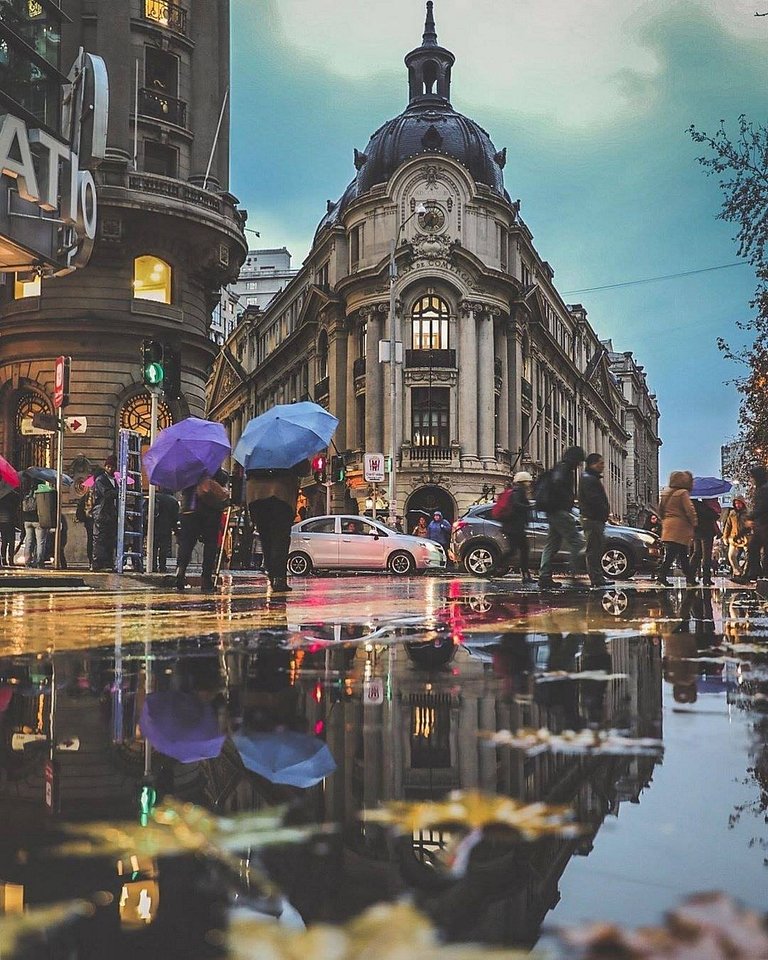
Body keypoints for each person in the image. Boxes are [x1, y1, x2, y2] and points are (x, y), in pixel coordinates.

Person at [246, 461, 308, 593]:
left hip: (257, 496)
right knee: (280, 538)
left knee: (265, 537)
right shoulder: (290, 448)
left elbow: (245, 469)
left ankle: (272, 573)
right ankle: (279, 577)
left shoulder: (255, 447)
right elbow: (304, 469)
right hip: (281, 495)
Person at [537, 445, 586, 590]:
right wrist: (567, 499)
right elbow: (558, 484)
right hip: (559, 511)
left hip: (553, 511)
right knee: (577, 542)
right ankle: (574, 576)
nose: (579, 465)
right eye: (579, 461)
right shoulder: (564, 469)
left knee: (552, 544)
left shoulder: (560, 467)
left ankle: (544, 576)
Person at [176, 471, 228, 593]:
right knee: (211, 544)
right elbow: (222, 478)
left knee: (186, 543)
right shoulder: (211, 465)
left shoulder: (187, 469)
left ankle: (180, 570)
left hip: (189, 509)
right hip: (210, 510)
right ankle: (206, 578)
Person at [577, 453, 615, 588]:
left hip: (595, 518)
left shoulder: (590, 478)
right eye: (601, 463)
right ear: (593, 464)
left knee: (597, 548)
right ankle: (596, 578)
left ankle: (598, 576)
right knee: (593, 549)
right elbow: (594, 500)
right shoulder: (589, 479)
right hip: (592, 519)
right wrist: (602, 513)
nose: (603, 466)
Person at [655, 470, 697, 586]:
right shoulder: (683, 493)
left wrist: (665, 520)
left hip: (668, 527)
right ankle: (662, 576)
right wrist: (694, 522)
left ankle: (689, 578)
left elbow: (660, 510)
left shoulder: (665, 492)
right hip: (680, 527)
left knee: (679, 554)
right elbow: (689, 510)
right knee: (674, 555)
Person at [493, 472, 535, 584]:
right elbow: (517, 505)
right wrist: (529, 507)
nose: (529, 483)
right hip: (514, 527)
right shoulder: (518, 491)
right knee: (518, 550)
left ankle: (525, 575)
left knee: (519, 550)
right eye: (527, 481)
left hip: (513, 527)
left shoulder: (517, 491)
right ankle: (494, 567)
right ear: (523, 481)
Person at [91, 455, 119, 571]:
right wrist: (118, 492)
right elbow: (106, 494)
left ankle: (108, 562)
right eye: (108, 466)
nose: (110, 469)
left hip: (110, 513)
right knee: (99, 538)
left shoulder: (115, 481)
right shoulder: (101, 479)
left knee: (109, 538)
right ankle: (97, 562)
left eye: (112, 467)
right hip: (101, 512)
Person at [745, 465, 768, 583]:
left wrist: (750, 517)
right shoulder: (761, 488)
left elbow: (762, 506)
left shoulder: (764, 489)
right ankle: (754, 574)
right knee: (753, 548)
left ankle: (758, 575)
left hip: (764, 524)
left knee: (755, 548)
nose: (751, 480)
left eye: (752, 477)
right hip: (761, 524)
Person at [690, 497, 720, 586]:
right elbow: (715, 515)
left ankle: (690, 576)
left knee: (696, 554)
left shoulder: (692, 505)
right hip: (706, 533)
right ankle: (706, 578)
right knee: (706, 555)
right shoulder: (702, 506)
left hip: (696, 532)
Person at [21, 476, 46, 568]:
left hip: (27, 520)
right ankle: (39, 561)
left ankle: (27, 561)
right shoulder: (41, 493)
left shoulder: (27, 492)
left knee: (29, 541)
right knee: (40, 541)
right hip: (38, 520)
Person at [153, 488, 180, 574]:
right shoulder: (173, 501)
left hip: (154, 526)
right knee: (163, 548)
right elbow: (175, 517)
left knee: (153, 547)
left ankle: (153, 565)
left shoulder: (154, 497)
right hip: (166, 527)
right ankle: (162, 566)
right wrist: (175, 529)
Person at [723, 497, 749, 579]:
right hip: (733, 538)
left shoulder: (747, 514)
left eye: (739, 503)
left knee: (749, 556)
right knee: (731, 555)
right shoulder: (732, 513)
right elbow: (728, 526)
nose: (737, 505)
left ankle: (745, 572)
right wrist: (725, 537)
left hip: (745, 538)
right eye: (736, 503)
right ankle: (737, 571)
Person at [0, 489, 20, 567]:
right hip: (10, 521)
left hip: (1, 521)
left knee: (4, 541)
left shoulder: (1, 496)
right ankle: (11, 559)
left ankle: (3, 559)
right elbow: (16, 509)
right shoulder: (13, 496)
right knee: (11, 541)